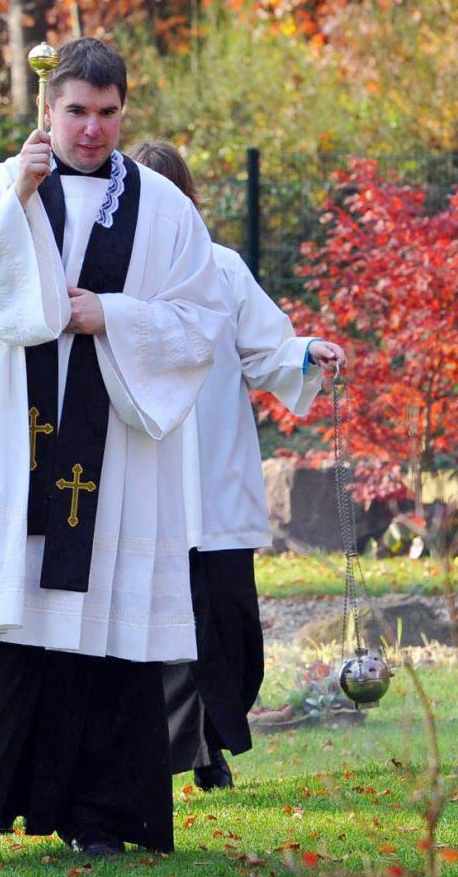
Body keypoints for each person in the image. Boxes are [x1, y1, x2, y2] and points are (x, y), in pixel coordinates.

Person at [0, 38, 224, 869]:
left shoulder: (164, 210)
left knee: (102, 636)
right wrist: (18, 190)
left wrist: (110, 316)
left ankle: (105, 814)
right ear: (48, 111)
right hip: (12, 452)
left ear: (125, 111)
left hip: (109, 452)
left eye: (108, 113)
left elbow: (201, 323)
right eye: (76, 111)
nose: (92, 129)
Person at [124, 140, 344, 790]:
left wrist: (308, 353)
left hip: (215, 478)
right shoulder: (118, 277)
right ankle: (191, 752)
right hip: (150, 482)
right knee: (164, 623)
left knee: (230, 623)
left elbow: (267, 347)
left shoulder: (221, 270)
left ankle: (216, 733)